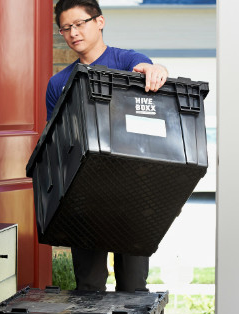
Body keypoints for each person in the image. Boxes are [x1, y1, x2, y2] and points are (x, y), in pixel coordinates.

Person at [47, 0, 168, 292]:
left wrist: (156, 69)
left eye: (80, 24)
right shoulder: (58, 83)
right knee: (88, 286)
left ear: (99, 21)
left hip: (133, 194)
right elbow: (56, 142)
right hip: (85, 196)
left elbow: (149, 71)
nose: (73, 32)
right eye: (66, 28)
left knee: (133, 286)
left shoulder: (127, 61)